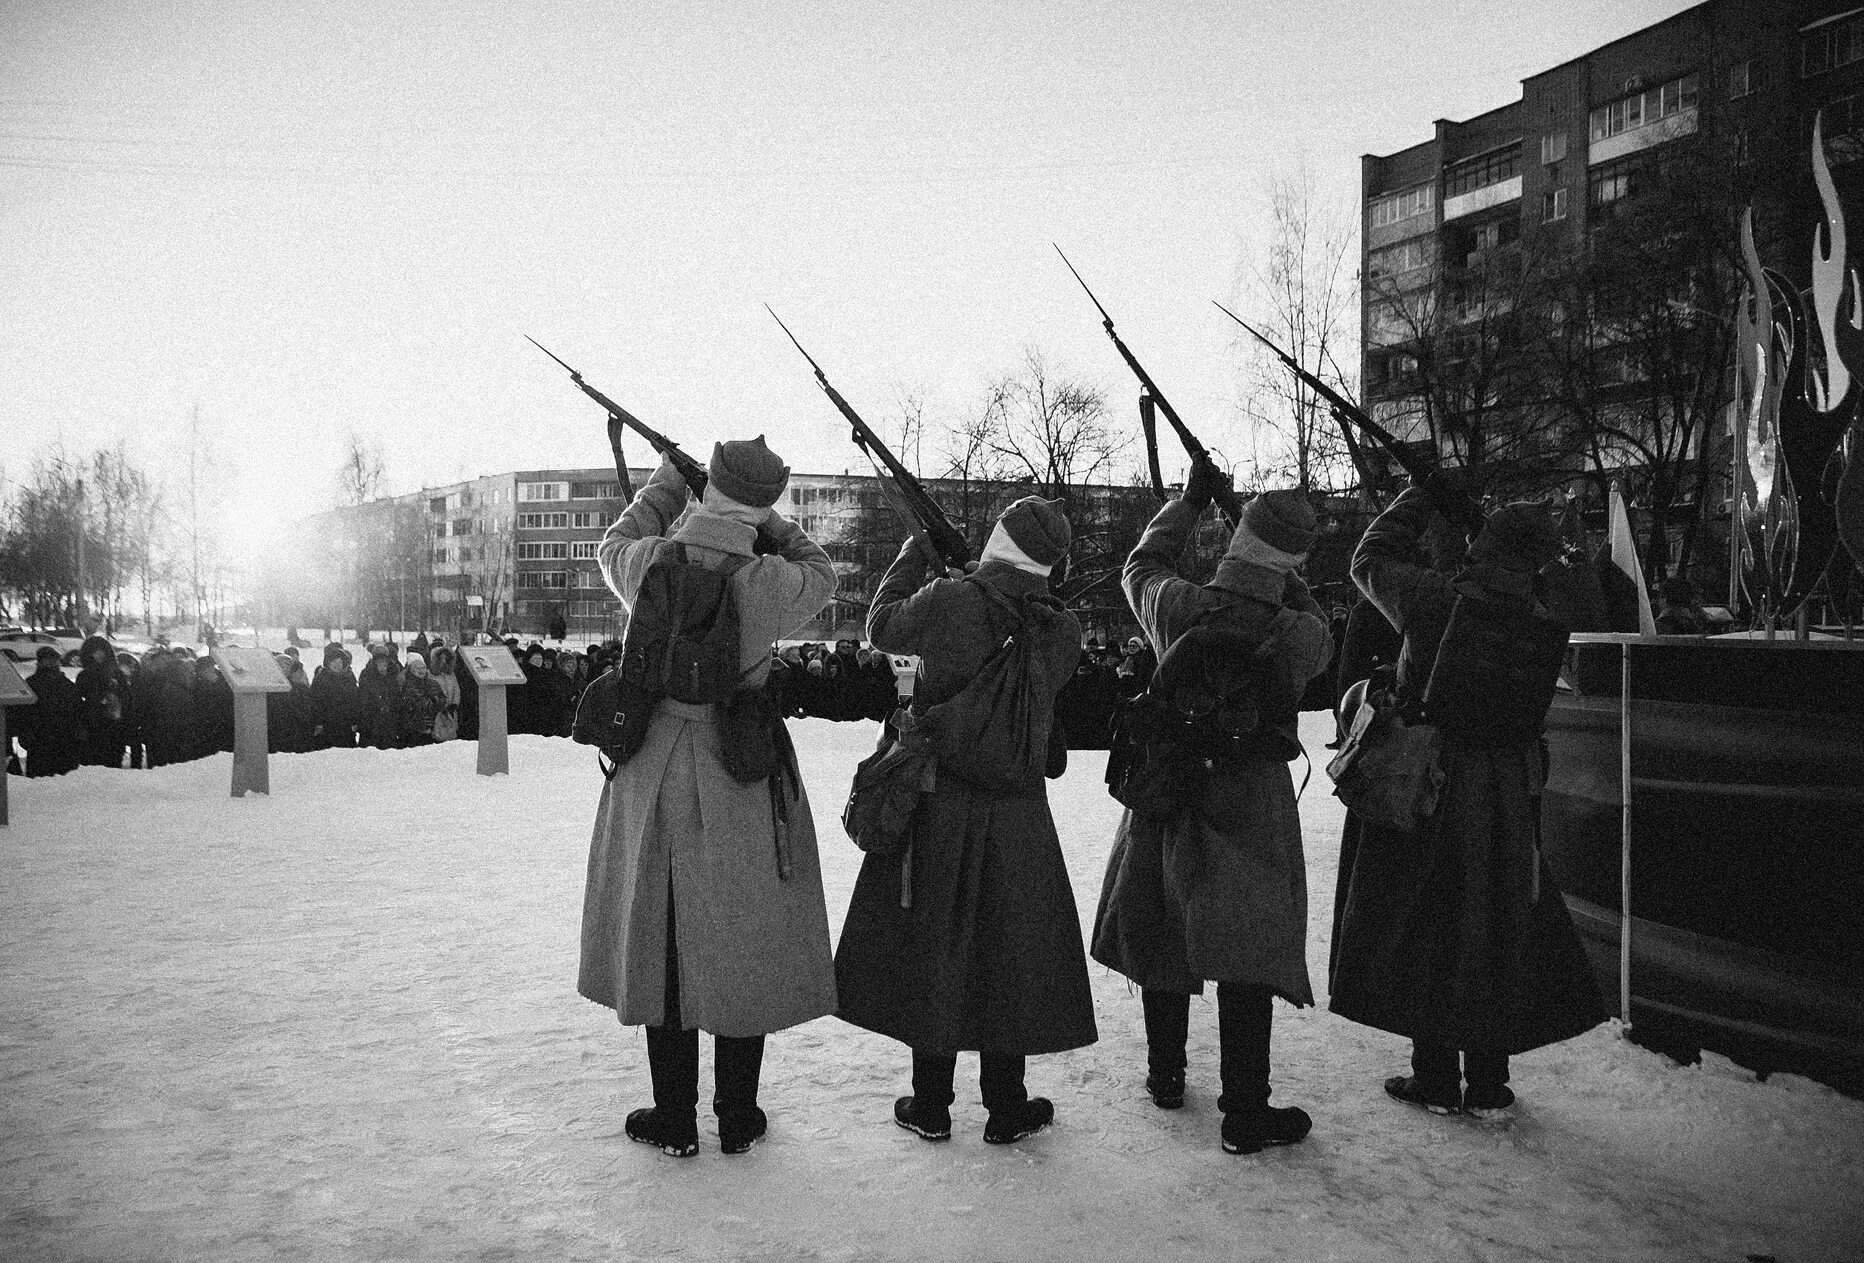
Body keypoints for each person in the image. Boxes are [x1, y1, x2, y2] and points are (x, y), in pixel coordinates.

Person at [578, 438, 840, 1158]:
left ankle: (674, 1117)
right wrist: (768, 521)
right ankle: (736, 1113)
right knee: (741, 935)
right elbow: (822, 571)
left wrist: (668, 483)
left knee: (663, 938)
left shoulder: (653, 561)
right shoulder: (768, 580)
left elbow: (614, 543)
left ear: (708, 484)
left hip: (654, 770)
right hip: (738, 771)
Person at [1330, 475, 1607, 1118]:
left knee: (1431, 921)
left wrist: (1420, 496)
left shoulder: (1434, 600)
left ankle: (1435, 1075)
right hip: (1508, 788)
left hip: (1437, 782)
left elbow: (1366, 558)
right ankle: (1487, 1076)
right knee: (1495, 922)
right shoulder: (1545, 613)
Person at [835, 497, 1097, 1146]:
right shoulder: (1060, 632)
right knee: (1006, 950)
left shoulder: (950, 601)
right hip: (1019, 812)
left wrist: (915, 554)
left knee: (936, 944)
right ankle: (1006, 1106)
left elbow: (882, 626)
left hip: (941, 800)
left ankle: (931, 1104)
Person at [1091, 463, 1333, 1155]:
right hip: (1251, 797)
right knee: (1249, 941)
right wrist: (1279, 573)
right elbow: (1316, 625)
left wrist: (1193, 503)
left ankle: (1165, 1075)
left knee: (1165, 918)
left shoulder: (1180, 606)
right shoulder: (1296, 631)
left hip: (1170, 787)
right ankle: (1246, 1108)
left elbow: (1143, 564)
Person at [19, 647, 83, 776]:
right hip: (45, 740)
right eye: (48, 661)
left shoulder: (32, 684)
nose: (51, 664)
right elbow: (23, 713)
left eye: (54, 661)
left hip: (58, 740)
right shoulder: (65, 685)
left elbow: (77, 712)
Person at [74, 636, 128, 768]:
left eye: (101, 650)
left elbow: (126, 698)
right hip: (92, 727)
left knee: (113, 764)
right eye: (94, 651)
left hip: (114, 726)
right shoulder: (85, 675)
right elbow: (77, 702)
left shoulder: (117, 674)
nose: (98, 654)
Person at [311, 644, 360, 749]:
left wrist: (354, 721)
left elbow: (354, 702)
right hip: (327, 727)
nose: (337, 665)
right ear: (328, 663)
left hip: (345, 726)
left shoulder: (347, 679)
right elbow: (315, 703)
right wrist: (318, 723)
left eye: (340, 662)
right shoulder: (320, 679)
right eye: (334, 662)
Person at [395, 652, 446, 747]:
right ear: (411, 670)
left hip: (431, 729)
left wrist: (435, 702)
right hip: (412, 729)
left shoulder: (433, 683)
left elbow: (442, 699)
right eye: (417, 668)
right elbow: (412, 704)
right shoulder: (406, 684)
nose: (421, 670)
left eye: (423, 667)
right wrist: (432, 702)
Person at [356, 646, 400, 750]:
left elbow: (396, 694)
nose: (381, 663)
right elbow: (364, 696)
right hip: (372, 717)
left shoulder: (393, 672)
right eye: (379, 659)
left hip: (389, 717)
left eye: (384, 659)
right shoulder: (367, 673)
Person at [430, 646, 462, 742]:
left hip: (451, 710)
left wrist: (455, 703)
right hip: (437, 711)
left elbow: (457, 690)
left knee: (451, 735)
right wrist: (440, 705)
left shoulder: (451, 675)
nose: (443, 661)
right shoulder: (431, 675)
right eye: (441, 658)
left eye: (446, 658)